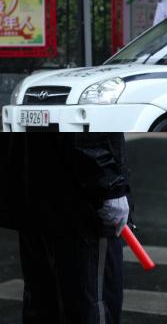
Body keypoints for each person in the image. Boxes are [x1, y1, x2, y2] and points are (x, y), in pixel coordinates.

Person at [0, 134, 132, 324]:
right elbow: (83, 131)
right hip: (82, 203)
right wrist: (109, 185)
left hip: (33, 194)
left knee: (43, 302)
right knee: (91, 303)